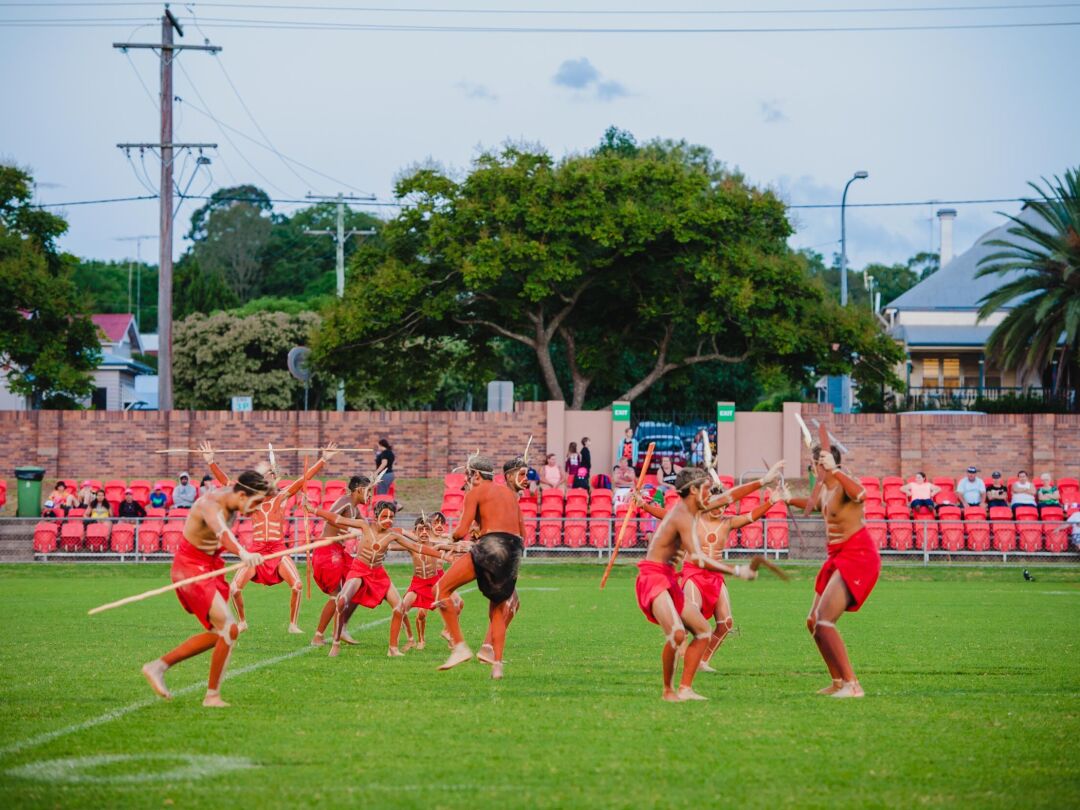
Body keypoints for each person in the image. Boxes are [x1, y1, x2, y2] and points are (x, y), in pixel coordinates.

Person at [633, 464, 785, 676]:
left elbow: (751, 516)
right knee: (692, 619)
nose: (721, 508)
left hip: (715, 576)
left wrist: (771, 502)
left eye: (724, 505)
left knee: (726, 623)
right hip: (693, 573)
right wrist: (644, 506)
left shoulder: (728, 523)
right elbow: (666, 515)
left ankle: (702, 660)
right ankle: (682, 653)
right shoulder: (694, 518)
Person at [140, 470, 271, 708]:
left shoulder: (237, 496)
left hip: (210, 566)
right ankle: (211, 696)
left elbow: (257, 487)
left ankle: (158, 666)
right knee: (229, 628)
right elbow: (222, 533)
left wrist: (267, 477)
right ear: (242, 496)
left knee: (222, 632)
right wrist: (244, 553)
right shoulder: (210, 504)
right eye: (256, 503)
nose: (256, 510)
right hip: (189, 568)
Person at [202, 441, 338, 635]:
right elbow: (227, 484)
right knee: (234, 589)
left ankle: (293, 624)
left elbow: (303, 479)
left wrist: (323, 459)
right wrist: (211, 462)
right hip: (257, 551)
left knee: (297, 586)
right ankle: (242, 622)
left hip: (277, 550)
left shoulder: (281, 498)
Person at [788, 444, 879, 699]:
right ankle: (838, 682)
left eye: (813, 463)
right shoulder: (826, 489)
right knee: (813, 622)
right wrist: (785, 499)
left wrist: (836, 470)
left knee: (825, 621)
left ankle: (853, 685)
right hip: (837, 557)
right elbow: (814, 505)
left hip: (858, 555)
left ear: (824, 464)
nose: (811, 468)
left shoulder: (842, 483)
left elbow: (861, 494)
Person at [306, 499, 448, 658]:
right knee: (341, 600)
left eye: (391, 517)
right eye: (385, 516)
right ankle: (336, 643)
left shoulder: (392, 535)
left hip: (378, 573)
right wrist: (313, 510)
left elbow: (417, 547)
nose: (388, 520)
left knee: (399, 607)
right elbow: (337, 519)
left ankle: (393, 649)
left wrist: (442, 555)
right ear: (376, 516)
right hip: (359, 570)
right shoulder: (364, 525)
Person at [433, 454, 525, 680]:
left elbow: (461, 530)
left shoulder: (475, 492)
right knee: (498, 607)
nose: (466, 481)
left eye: (467, 476)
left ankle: (459, 647)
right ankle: (497, 664)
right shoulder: (510, 495)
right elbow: (522, 532)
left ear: (475, 475)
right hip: (515, 550)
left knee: (441, 589)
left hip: (492, 545)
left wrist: (450, 540)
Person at [308, 475, 375, 648]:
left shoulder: (355, 509)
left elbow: (367, 527)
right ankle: (318, 636)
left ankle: (342, 627)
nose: (370, 495)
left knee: (360, 583)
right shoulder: (345, 501)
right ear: (359, 490)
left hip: (339, 552)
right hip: (327, 551)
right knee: (336, 595)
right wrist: (349, 528)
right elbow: (330, 517)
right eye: (368, 491)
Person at [395, 516, 462, 651]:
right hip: (418, 583)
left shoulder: (436, 545)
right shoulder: (412, 547)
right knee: (401, 610)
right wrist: (381, 540)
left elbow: (455, 547)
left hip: (434, 582)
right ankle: (412, 640)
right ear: (415, 532)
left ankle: (449, 633)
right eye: (421, 529)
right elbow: (391, 545)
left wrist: (466, 547)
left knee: (457, 604)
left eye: (427, 529)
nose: (424, 532)